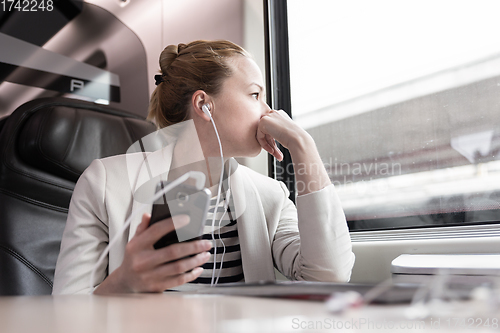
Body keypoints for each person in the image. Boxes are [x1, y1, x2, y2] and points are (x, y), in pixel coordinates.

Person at [52, 40, 355, 295]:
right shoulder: (105, 183)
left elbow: (328, 278)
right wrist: (123, 284)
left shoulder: (268, 195)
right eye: (255, 95)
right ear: (203, 105)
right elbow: (62, 317)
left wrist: (304, 148)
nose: (270, 112)